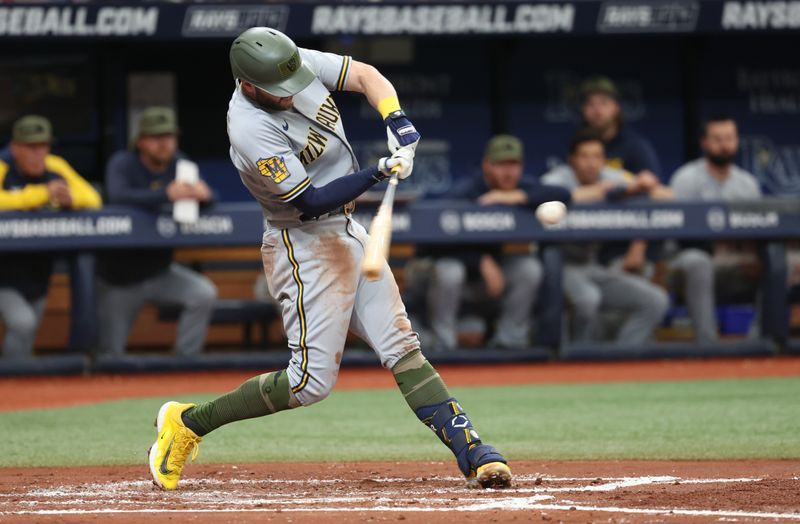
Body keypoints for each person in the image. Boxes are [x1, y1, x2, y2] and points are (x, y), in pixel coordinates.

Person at [147, 28, 512, 491]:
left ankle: (474, 450)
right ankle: (188, 423)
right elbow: (310, 201)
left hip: (347, 230)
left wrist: (395, 117)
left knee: (402, 346)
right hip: (303, 244)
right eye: (278, 92)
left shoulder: (289, 62)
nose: (292, 93)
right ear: (248, 85)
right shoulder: (248, 127)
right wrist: (376, 171)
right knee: (309, 384)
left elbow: (364, 75)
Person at [419, 134, 570, 350]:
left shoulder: (519, 188)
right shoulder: (466, 191)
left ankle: (509, 343)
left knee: (528, 268)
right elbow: (430, 243)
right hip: (440, 274)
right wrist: (480, 260)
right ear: (487, 166)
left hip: (487, 280)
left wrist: (518, 197)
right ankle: (443, 346)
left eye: (514, 164)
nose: (509, 172)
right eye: (501, 164)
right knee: (450, 270)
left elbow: (563, 194)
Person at [96, 107, 217, 356]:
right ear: (140, 141)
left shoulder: (181, 163)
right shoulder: (123, 163)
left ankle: (185, 362)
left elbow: (211, 197)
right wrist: (165, 194)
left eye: (168, 136)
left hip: (161, 272)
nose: (164, 143)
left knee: (203, 293)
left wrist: (205, 195)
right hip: (120, 278)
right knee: (110, 354)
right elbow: (117, 195)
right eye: (155, 137)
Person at [542, 130, 669, 345]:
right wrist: (598, 192)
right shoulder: (556, 179)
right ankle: (579, 358)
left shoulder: (612, 176)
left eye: (597, 156)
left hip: (592, 264)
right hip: (560, 264)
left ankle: (623, 355)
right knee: (588, 299)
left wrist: (647, 186)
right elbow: (545, 199)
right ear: (571, 160)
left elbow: (667, 196)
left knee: (655, 300)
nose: (591, 163)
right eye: (584, 156)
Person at [0, 115, 101, 359]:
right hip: (2, 276)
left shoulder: (55, 166)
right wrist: (40, 194)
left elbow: (93, 198)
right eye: (30, 147)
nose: (38, 153)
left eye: (42, 146)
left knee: (28, 330)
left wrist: (71, 200)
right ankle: (12, 381)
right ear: (15, 147)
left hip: (37, 274)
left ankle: (21, 392)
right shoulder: (3, 166)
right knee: (22, 323)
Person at [669, 114, 763, 339]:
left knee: (776, 264)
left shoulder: (747, 184)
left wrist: (753, 255)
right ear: (704, 143)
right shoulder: (685, 178)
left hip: (734, 260)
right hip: (691, 258)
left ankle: (759, 340)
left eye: (729, 138)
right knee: (698, 262)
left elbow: (762, 228)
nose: (724, 145)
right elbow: (674, 230)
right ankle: (708, 344)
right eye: (717, 139)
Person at [580, 76, 662, 179]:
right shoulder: (577, 146)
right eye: (591, 104)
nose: (597, 110)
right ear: (583, 110)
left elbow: (654, 189)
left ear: (616, 107)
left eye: (604, 103)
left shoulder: (635, 147)